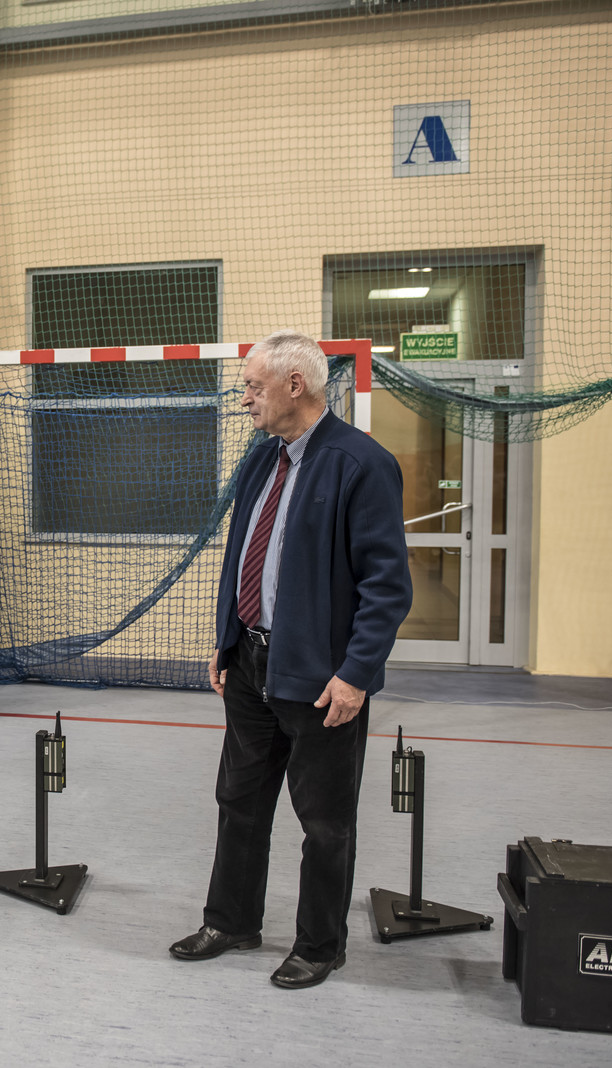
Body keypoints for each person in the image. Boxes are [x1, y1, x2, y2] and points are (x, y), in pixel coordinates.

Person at [169, 329, 411, 990]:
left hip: (321, 677)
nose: (245, 397)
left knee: (324, 821)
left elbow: (387, 587)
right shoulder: (260, 462)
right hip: (251, 665)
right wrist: (227, 641)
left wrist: (356, 675)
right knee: (239, 800)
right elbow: (240, 559)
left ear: (294, 385)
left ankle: (320, 945)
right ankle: (231, 921)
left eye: (254, 386)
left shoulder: (361, 464)